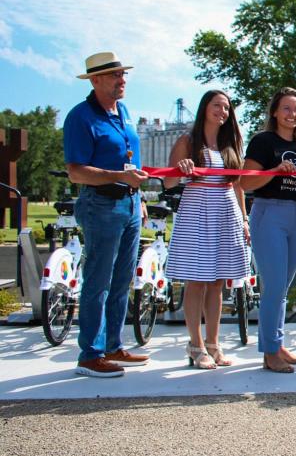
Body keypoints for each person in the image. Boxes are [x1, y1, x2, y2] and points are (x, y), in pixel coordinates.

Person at [63, 51, 150, 377]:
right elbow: (76, 172)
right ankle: (90, 355)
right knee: (97, 282)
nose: (122, 80)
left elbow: (131, 162)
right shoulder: (81, 117)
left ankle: (113, 346)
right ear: (95, 80)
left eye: (123, 74)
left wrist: (136, 195)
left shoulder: (123, 112)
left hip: (128, 204)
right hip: (100, 204)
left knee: (120, 281)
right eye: (115, 75)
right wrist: (119, 178)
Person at [164, 90, 249, 369]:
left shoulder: (232, 143)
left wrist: (244, 220)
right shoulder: (187, 141)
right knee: (196, 280)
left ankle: (213, 343)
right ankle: (195, 344)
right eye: (217, 105)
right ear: (204, 108)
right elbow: (168, 184)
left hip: (226, 211)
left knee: (217, 281)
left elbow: (238, 185)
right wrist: (181, 168)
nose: (222, 112)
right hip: (198, 210)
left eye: (226, 108)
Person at [240, 87, 296, 373]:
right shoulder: (263, 141)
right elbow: (245, 183)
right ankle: (270, 353)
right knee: (272, 287)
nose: (292, 114)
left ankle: (277, 343)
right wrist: (273, 172)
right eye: (286, 108)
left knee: (282, 288)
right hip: (268, 212)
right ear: (274, 112)